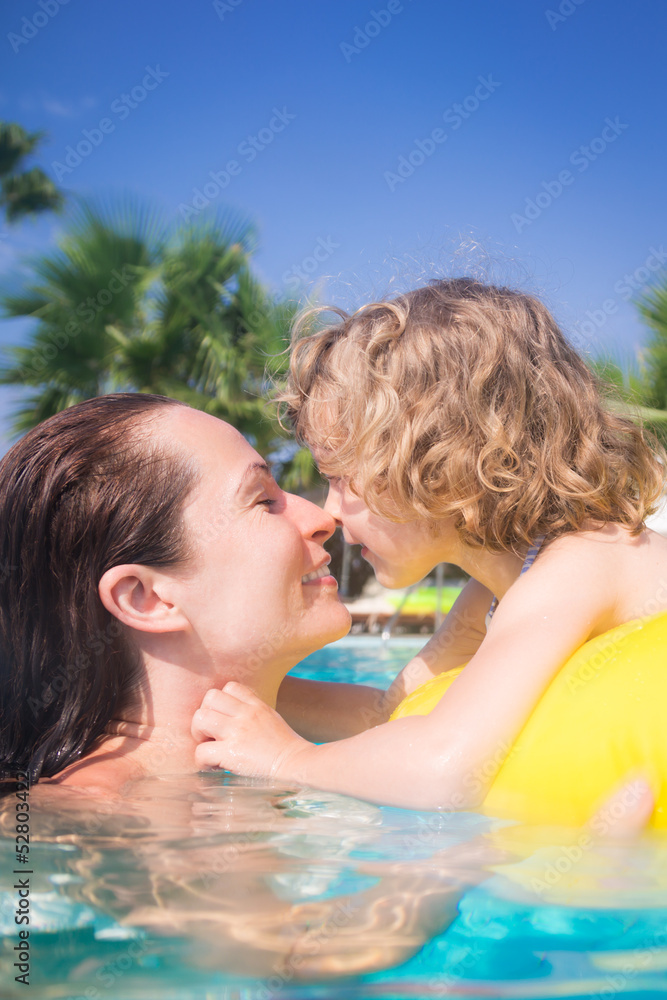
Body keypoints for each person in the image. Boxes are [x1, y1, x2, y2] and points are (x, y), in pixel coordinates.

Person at [190, 278, 667, 819]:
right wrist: (233, 695)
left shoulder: (581, 562)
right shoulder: (492, 594)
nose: (328, 510)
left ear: (444, 467)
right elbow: (387, 714)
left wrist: (285, 759)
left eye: (343, 477)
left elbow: (445, 769)